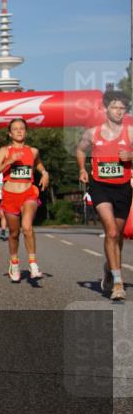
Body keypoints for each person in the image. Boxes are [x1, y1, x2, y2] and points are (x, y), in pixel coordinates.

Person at [75, 89, 132, 301]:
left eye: (122, 108)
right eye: (115, 107)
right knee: (111, 231)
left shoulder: (130, 132)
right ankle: (118, 283)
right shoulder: (92, 133)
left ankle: (109, 268)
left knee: (117, 235)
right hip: (100, 186)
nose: (119, 111)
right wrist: (82, 169)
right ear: (106, 109)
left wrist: (131, 156)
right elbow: (81, 150)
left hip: (123, 188)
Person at [0, 118, 50, 283]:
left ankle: (33, 264)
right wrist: (8, 161)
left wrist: (44, 173)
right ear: (10, 133)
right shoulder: (4, 151)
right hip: (10, 196)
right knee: (14, 233)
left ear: (26, 132)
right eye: (15, 129)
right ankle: (14, 263)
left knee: (27, 227)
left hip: (28, 193)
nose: (18, 131)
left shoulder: (33, 150)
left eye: (22, 128)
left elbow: (38, 164)